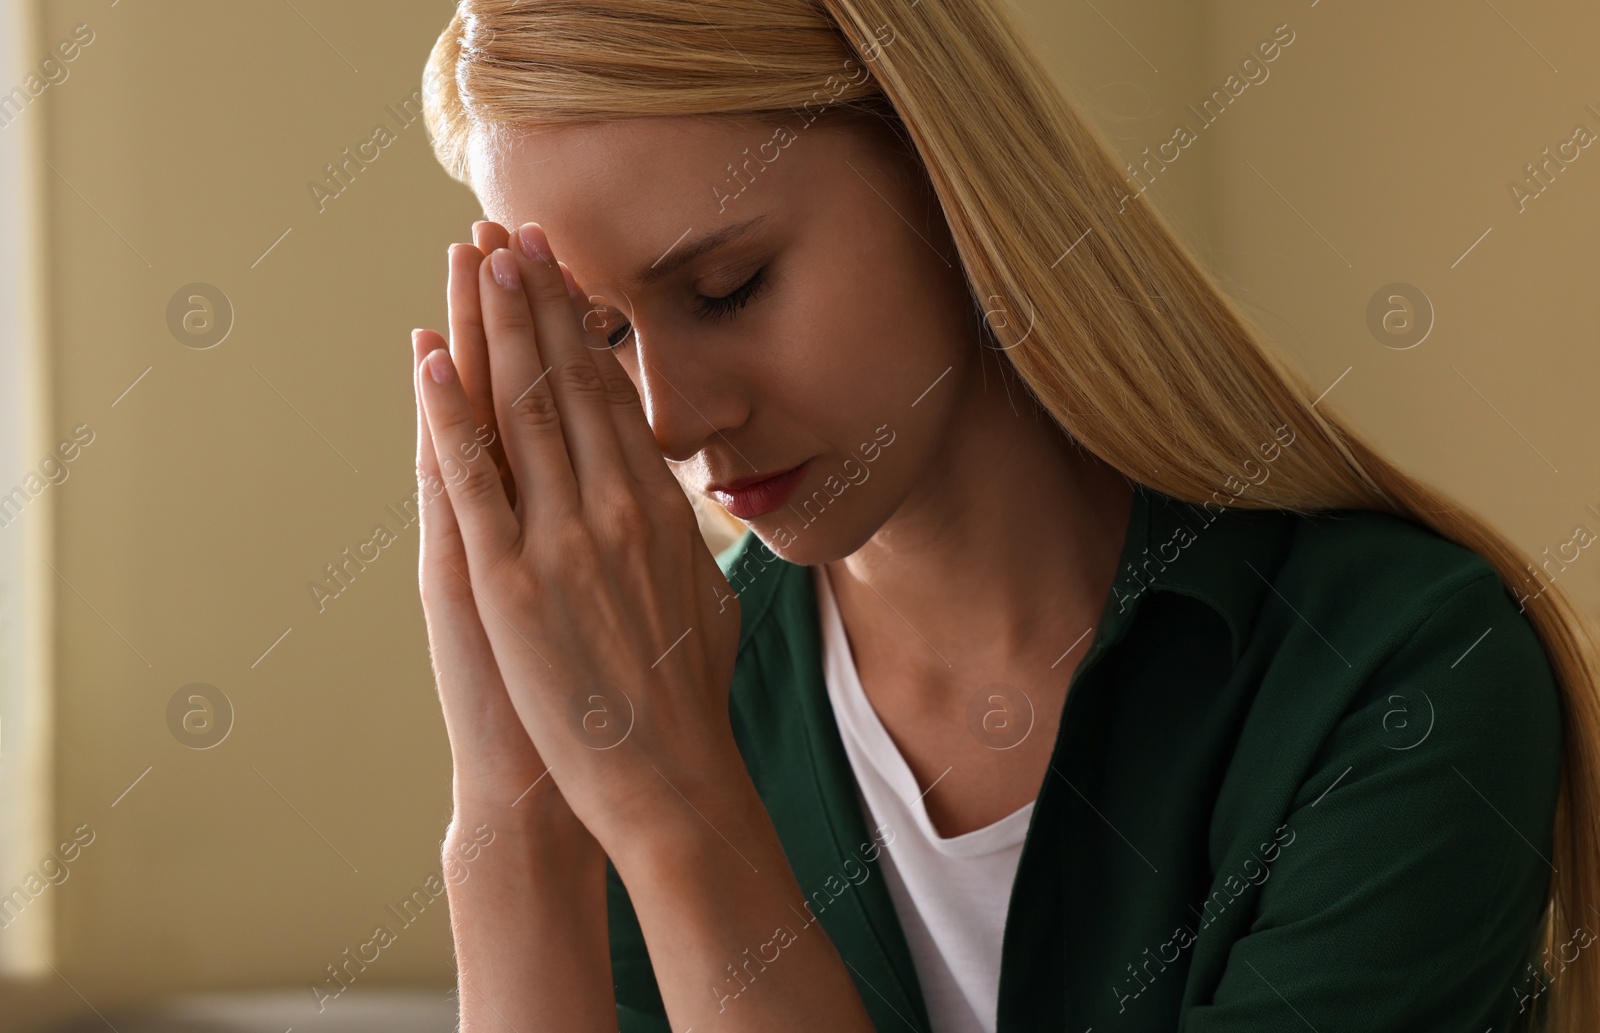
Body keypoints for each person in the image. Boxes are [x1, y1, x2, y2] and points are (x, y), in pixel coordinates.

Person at [407, 1, 1600, 1030]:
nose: (668, 419)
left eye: (727, 289)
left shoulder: (1399, 668)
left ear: (943, 173)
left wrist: (677, 814)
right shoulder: (660, 711)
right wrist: (513, 817)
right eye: (604, 336)